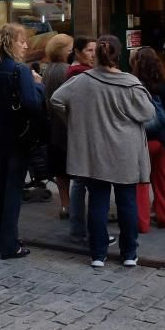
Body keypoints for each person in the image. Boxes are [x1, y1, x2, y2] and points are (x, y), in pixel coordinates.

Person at [51, 35, 153, 268]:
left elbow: (57, 100)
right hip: (126, 151)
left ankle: (98, 254)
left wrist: (75, 122)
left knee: (98, 202)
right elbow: (148, 114)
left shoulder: (82, 81)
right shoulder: (130, 83)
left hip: (95, 150)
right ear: (119, 56)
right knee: (127, 202)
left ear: (96, 55)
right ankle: (129, 253)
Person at [0, 23, 45, 260]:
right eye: (22, 41)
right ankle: (9, 244)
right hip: (18, 135)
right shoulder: (20, 70)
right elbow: (32, 103)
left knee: (1, 186)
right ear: (11, 43)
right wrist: (39, 86)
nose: (26, 45)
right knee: (13, 189)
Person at [131, 46, 165, 232]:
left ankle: (141, 223)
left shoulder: (134, 85)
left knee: (141, 182)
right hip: (164, 140)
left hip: (143, 140)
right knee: (163, 181)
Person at [64, 36, 97, 241]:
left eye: (95, 50)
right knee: (85, 182)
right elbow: (59, 101)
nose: (94, 54)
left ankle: (79, 228)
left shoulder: (84, 72)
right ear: (77, 52)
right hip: (85, 134)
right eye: (89, 50)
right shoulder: (79, 74)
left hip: (82, 132)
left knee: (80, 181)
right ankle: (85, 229)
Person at [42, 34, 74, 220]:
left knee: (60, 170)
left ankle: (65, 204)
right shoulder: (67, 71)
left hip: (52, 125)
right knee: (71, 168)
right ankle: (73, 205)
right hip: (65, 125)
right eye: (70, 48)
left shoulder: (48, 70)